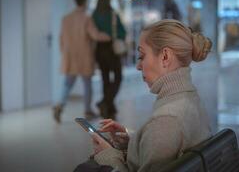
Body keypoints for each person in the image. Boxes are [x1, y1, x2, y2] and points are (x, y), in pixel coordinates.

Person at [90, 19, 212, 172]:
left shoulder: (166, 121)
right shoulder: (189, 99)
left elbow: (165, 131)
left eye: (142, 56)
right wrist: (133, 139)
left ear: (165, 57)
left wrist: (108, 156)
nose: (138, 66)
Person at [53, 0, 110, 123]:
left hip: (70, 56)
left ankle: (59, 105)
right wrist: (108, 36)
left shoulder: (66, 18)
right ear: (85, 1)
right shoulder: (86, 18)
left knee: (67, 84)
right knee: (87, 85)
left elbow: (61, 39)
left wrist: (64, 53)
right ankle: (88, 110)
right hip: (84, 56)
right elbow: (95, 35)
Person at [92, 0, 126, 119]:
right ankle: (106, 102)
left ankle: (109, 105)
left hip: (99, 50)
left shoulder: (94, 15)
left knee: (105, 78)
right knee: (118, 77)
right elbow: (122, 31)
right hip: (112, 49)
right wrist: (116, 36)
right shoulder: (112, 14)